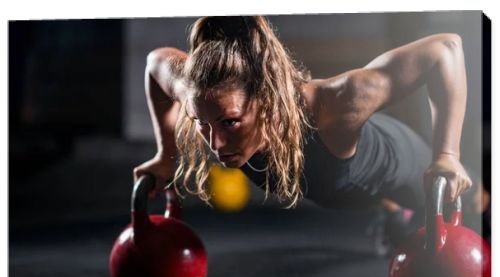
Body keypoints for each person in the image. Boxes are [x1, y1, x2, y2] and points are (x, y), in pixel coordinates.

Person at [133, 16, 489, 252]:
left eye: (229, 123)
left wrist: (447, 157)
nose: (215, 145)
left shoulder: (335, 102)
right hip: (336, 188)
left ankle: (401, 206)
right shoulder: (203, 92)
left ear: (268, 102)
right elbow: (155, 63)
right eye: (201, 123)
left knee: (474, 203)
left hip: (389, 160)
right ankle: (394, 212)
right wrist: (166, 156)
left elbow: (446, 49)